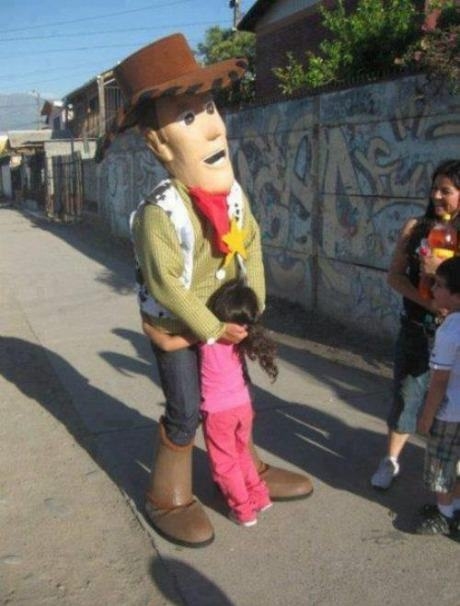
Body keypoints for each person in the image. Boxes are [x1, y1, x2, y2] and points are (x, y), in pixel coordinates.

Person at [99, 33, 313, 547]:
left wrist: (251, 306)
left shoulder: (233, 195)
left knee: (233, 395)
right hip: (178, 326)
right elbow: (167, 285)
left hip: (223, 324)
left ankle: (245, 467)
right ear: (159, 142)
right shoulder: (159, 212)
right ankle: (167, 496)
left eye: (211, 107)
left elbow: (251, 243)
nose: (215, 126)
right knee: (186, 409)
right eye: (190, 117)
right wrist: (214, 329)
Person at [143, 279, 276, 527]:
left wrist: (149, 327)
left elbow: (168, 344)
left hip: (219, 413)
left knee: (225, 463)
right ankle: (260, 496)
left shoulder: (208, 335)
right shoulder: (242, 335)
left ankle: (243, 511)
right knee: (242, 454)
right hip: (243, 406)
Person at [371, 159, 460, 490]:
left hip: (456, 334)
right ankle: (391, 460)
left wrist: (440, 271)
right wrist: (429, 303)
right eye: (434, 189)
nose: (436, 196)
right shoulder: (415, 228)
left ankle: (450, 477)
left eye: (446, 191)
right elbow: (395, 276)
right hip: (417, 328)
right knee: (407, 394)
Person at [415, 256, 460, 536]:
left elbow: (440, 381)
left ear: (457, 296)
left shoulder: (450, 331)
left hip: (449, 412)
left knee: (442, 464)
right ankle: (455, 506)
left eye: (440, 285)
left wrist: (427, 416)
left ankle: (444, 515)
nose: (433, 289)